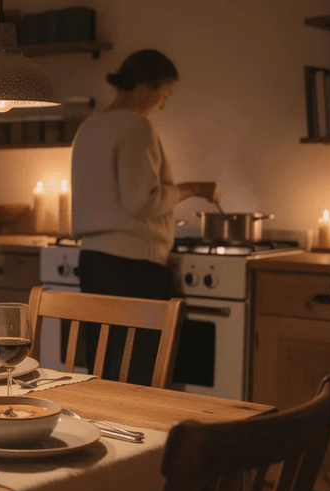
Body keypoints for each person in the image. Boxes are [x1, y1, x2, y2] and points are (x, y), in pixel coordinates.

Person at [69, 48, 220, 385]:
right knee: (141, 373)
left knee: (105, 369)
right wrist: (192, 188)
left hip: (93, 263)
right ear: (142, 87)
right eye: (163, 93)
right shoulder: (136, 127)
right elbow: (142, 202)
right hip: (132, 267)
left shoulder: (89, 127)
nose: (163, 104)